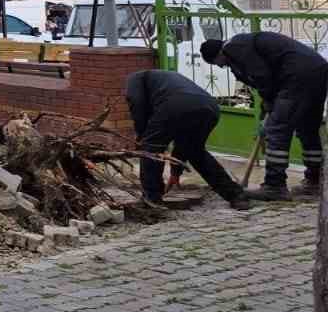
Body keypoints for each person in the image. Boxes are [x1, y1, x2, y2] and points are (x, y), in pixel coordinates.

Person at [200, 32, 326, 201]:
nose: (223, 67)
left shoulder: (233, 48)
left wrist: (269, 101)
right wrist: (266, 107)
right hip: (316, 70)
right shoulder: (242, 44)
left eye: (218, 64)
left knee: (276, 130)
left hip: (295, 76)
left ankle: (275, 186)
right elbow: (265, 78)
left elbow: (262, 76)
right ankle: (315, 181)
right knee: (307, 128)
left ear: (218, 56)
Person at [125, 70, 250, 210]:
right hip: (209, 106)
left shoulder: (134, 79)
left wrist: (141, 135)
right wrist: (175, 172)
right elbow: (182, 145)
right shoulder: (163, 80)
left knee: (150, 150)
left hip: (175, 104)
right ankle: (236, 196)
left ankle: (152, 199)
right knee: (195, 152)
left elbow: (137, 104)